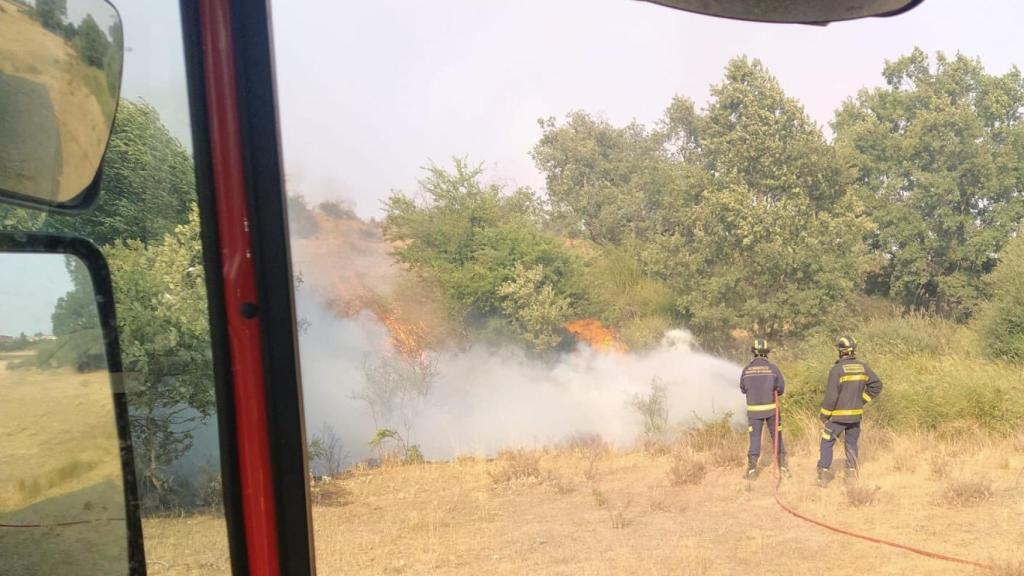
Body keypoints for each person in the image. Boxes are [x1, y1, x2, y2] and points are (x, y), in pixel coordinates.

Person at [817, 336, 883, 487]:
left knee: (827, 442)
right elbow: (877, 385)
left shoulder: (836, 370)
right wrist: (862, 400)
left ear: (841, 351)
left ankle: (824, 474)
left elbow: (831, 397)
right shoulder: (863, 367)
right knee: (852, 444)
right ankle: (851, 473)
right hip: (855, 416)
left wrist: (824, 415)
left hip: (837, 418)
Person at [740, 338, 787, 479]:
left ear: (753, 353)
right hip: (772, 411)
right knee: (776, 437)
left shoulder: (746, 370)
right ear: (767, 353)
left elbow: (743, 389)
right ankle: (783, 468)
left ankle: (752, 470)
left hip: (754, 412)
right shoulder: (773, 369)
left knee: (754, 439)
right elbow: (780, 389)